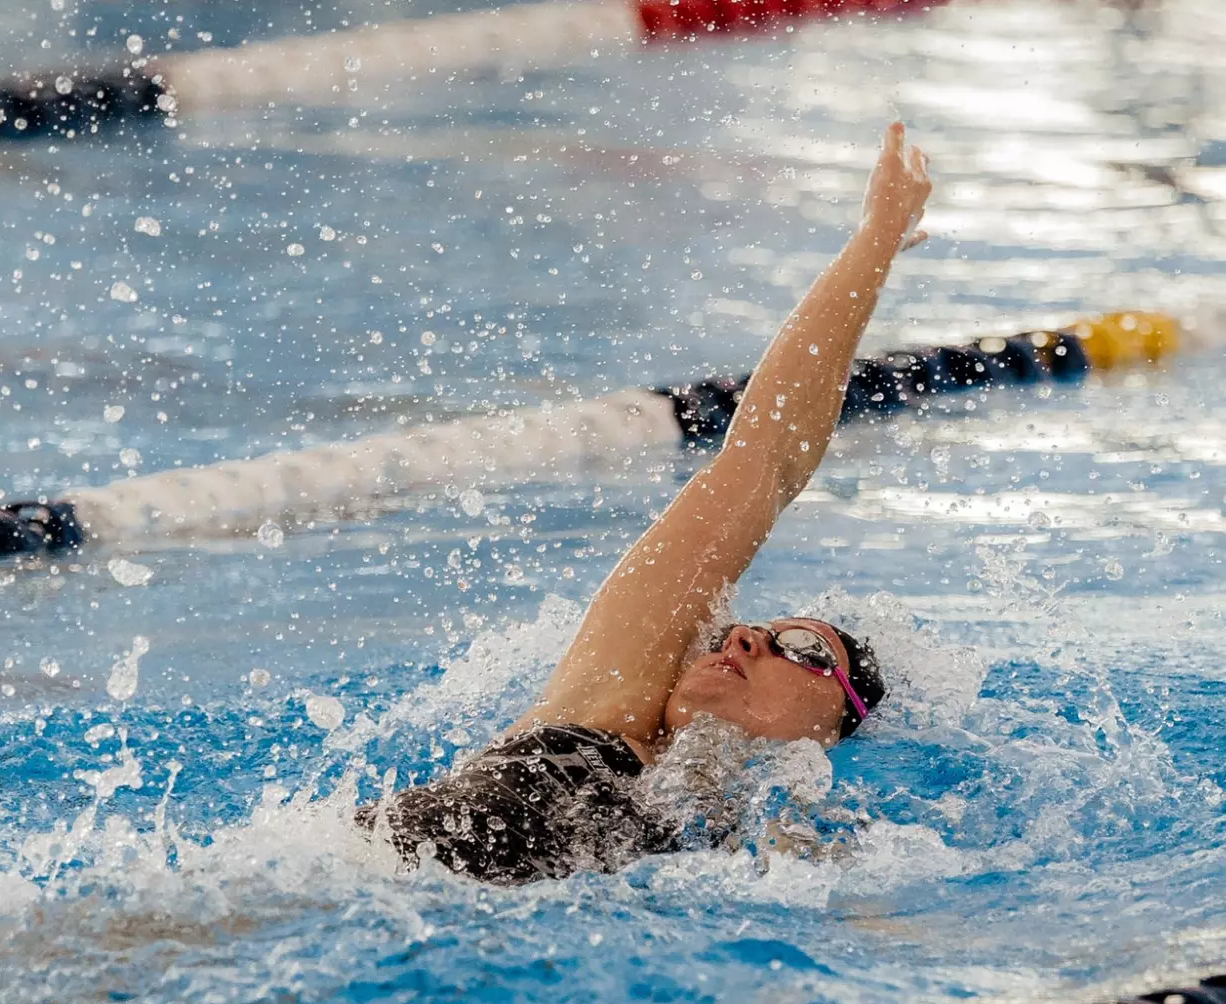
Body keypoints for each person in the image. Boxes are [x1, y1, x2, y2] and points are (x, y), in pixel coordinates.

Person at [356, 122, 933, 885]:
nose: (745, 640)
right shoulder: (613, 703)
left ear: (831, 730)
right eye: (746, 630)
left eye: (804, 650)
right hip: (332, 888)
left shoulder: (760, 852)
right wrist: (873, 244)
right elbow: (764, 459)